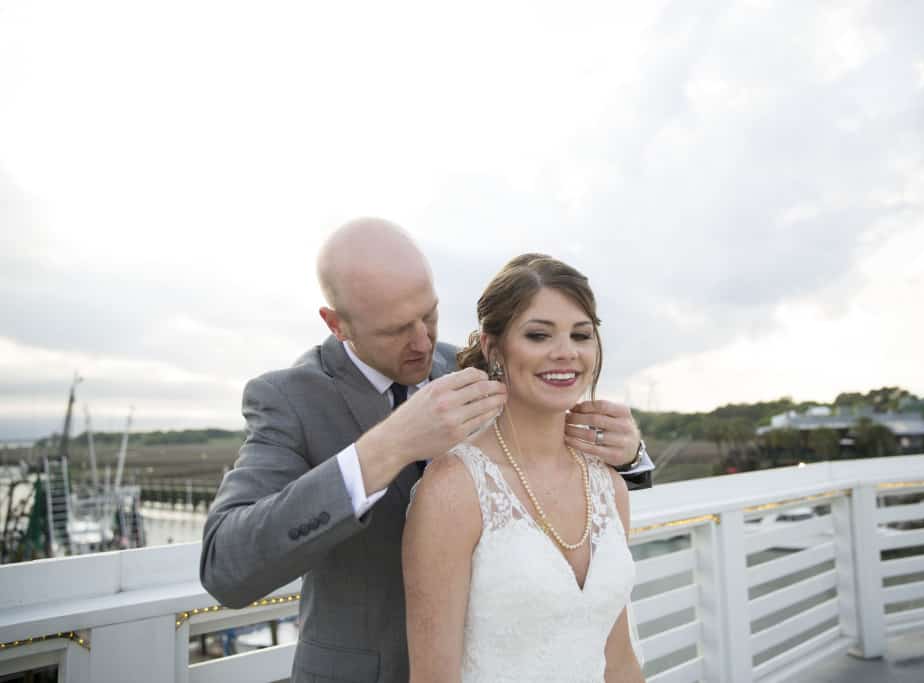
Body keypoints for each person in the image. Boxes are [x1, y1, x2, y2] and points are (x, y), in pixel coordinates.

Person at [199, 218, 652, 683]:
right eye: (396, 329)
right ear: (337, 324)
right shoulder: (290, 401)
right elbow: (225, 567)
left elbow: (546, 464)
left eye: (429, 315)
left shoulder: (467, 368)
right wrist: (388, 446)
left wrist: (632, 457)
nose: (422, 342)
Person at [403, 254, 644, 682]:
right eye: (538, 335)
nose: (566, 353)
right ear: (494, 348)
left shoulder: (610, 487)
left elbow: (619, 659)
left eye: (581, 334)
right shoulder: (453, 489)